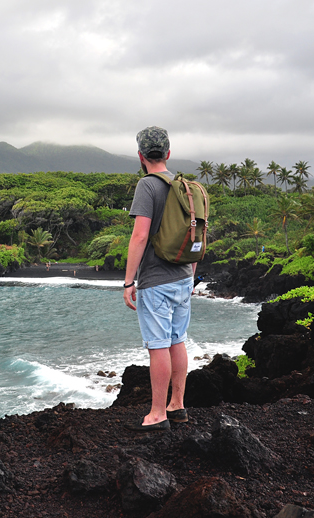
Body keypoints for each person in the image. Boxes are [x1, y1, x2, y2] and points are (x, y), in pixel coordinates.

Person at [123, 126, 196, 432]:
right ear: (168, 154)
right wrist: (191, 275)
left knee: (158, 345)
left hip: (156, 280)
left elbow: (140, 236)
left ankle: (157, 414)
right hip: (183, 276)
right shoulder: (185, 187)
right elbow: (196, 231)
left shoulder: (147, 186)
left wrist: (129, 282)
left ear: (141, 156)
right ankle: (177, 406)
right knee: (177, 340)